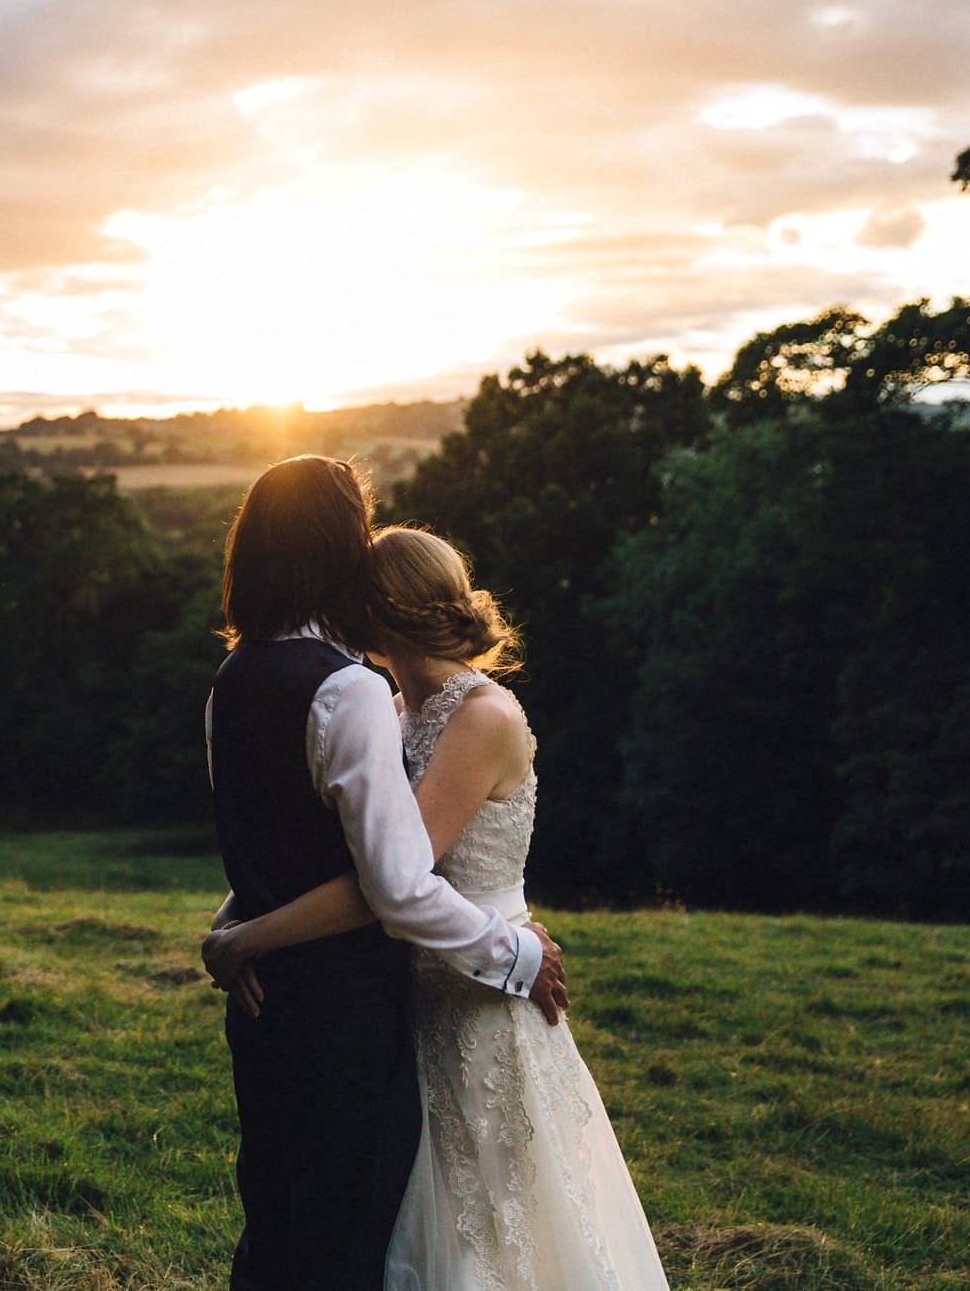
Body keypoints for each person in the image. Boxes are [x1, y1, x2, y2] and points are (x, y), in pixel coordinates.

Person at [205, 526, 669, 1290]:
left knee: (499, 1227)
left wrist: (250, 934)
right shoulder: (388, 707)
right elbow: (341, 853)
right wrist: (238, 915)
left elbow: (389, 879)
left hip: (480, 995)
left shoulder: (482, 717)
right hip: (411, 998)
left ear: (378, 608)